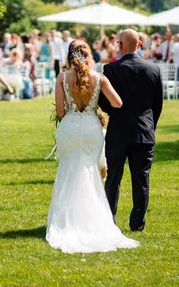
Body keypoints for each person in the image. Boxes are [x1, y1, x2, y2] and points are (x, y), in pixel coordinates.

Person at [46, 39, 138, 254]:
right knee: (90, 172)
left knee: (69, 170)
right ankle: (91, 220)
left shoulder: (62, 77)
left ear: (70, 55)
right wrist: (96, 104)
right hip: (91, 128)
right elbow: (117, 103)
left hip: (69, 127)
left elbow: (60, 111)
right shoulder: (99, 78)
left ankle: (67, 220)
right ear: (89, 55)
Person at [99, 29, 163, 233]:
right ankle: (137, 224)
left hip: (118, 131)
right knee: (141, 179)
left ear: (120, 45)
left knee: (113, 178)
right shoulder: (153, 69)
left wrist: (115, 114)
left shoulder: (111, 69)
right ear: (138, 44)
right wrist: (150, 124)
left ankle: (110, 220)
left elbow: (104, 103)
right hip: (144, 130)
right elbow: (157, 104)